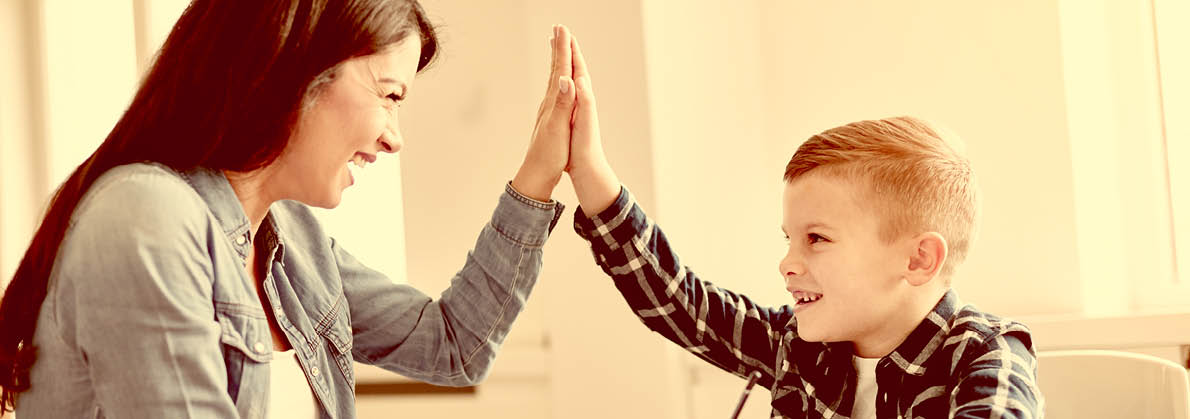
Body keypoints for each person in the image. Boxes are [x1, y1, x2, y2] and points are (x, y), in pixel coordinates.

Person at [0, 1, 583, 417]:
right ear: (295, 64)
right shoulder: (143, 215)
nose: (394, 138)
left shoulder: (294, 245)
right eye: (389, 96)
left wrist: (539, 173)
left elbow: (455, 346)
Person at [561, 38, 1043, 417]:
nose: (788, 263)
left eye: (817, 239)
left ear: (917, 260)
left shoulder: (985, 356)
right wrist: (589, 172)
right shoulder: (799, 346)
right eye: (789, 239)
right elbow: (679, 303)